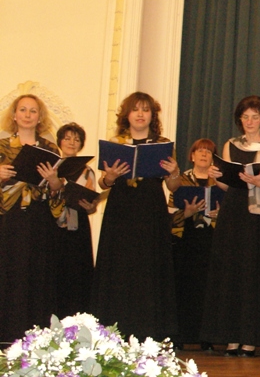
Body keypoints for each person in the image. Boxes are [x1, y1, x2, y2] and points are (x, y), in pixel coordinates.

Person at [92, 92, 180, 341]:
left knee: (149, 265)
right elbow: (103, 183)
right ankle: (114, 326)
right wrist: (110, 177)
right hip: (121, 210)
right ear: (127, 114)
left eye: (146, 110)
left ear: (152, 115)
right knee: (119, 265)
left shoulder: (163, 144)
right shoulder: (116, 142)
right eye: (135, 109)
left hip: (151, 210)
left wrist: (174, 172)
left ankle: (149, 328)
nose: (140, 114)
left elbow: (173, 186)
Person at [202, 95, 260, 357]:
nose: (250, 122)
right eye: (245, 117)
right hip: (234, 212)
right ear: (240, 119)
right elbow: (227, 184)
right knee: (232, 271)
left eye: (255, 117)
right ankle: (231, 337)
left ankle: (251, 338)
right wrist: (216, 177)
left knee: (257, 271)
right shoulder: (230, 144)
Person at [0, 94, 64, 341]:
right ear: (14, 115)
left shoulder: (50, 149)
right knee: (8, 273)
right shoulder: (1, 147)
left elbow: (57, 190)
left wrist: (54, 181)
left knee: (37, 274)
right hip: (9, 218)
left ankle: (36, 337)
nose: (27, 115)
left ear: (40, 118)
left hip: (39, 218)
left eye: (33, 111)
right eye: (23, 109)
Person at [169, 138, 219, 351]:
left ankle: (206, 336)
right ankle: (181, 334)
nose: (204, 154)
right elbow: (170, 214)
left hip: (211, 238)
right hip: (186, 240)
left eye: (208, 152)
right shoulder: (179, 181)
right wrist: (187, 213)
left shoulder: (219, 182)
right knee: (184, 287)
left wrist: (220, 214)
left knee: (208, 288)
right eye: (200, 151)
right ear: (192, 156)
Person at [55, 122, 96, 318]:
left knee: (76, 273)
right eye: (68, 138)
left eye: (77, 139)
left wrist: (91, 206)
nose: (72, 142)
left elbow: (91, 204)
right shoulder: (51, 167)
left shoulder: (87, 171)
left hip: (77, 225)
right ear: (60, 141)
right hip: (53, 225)